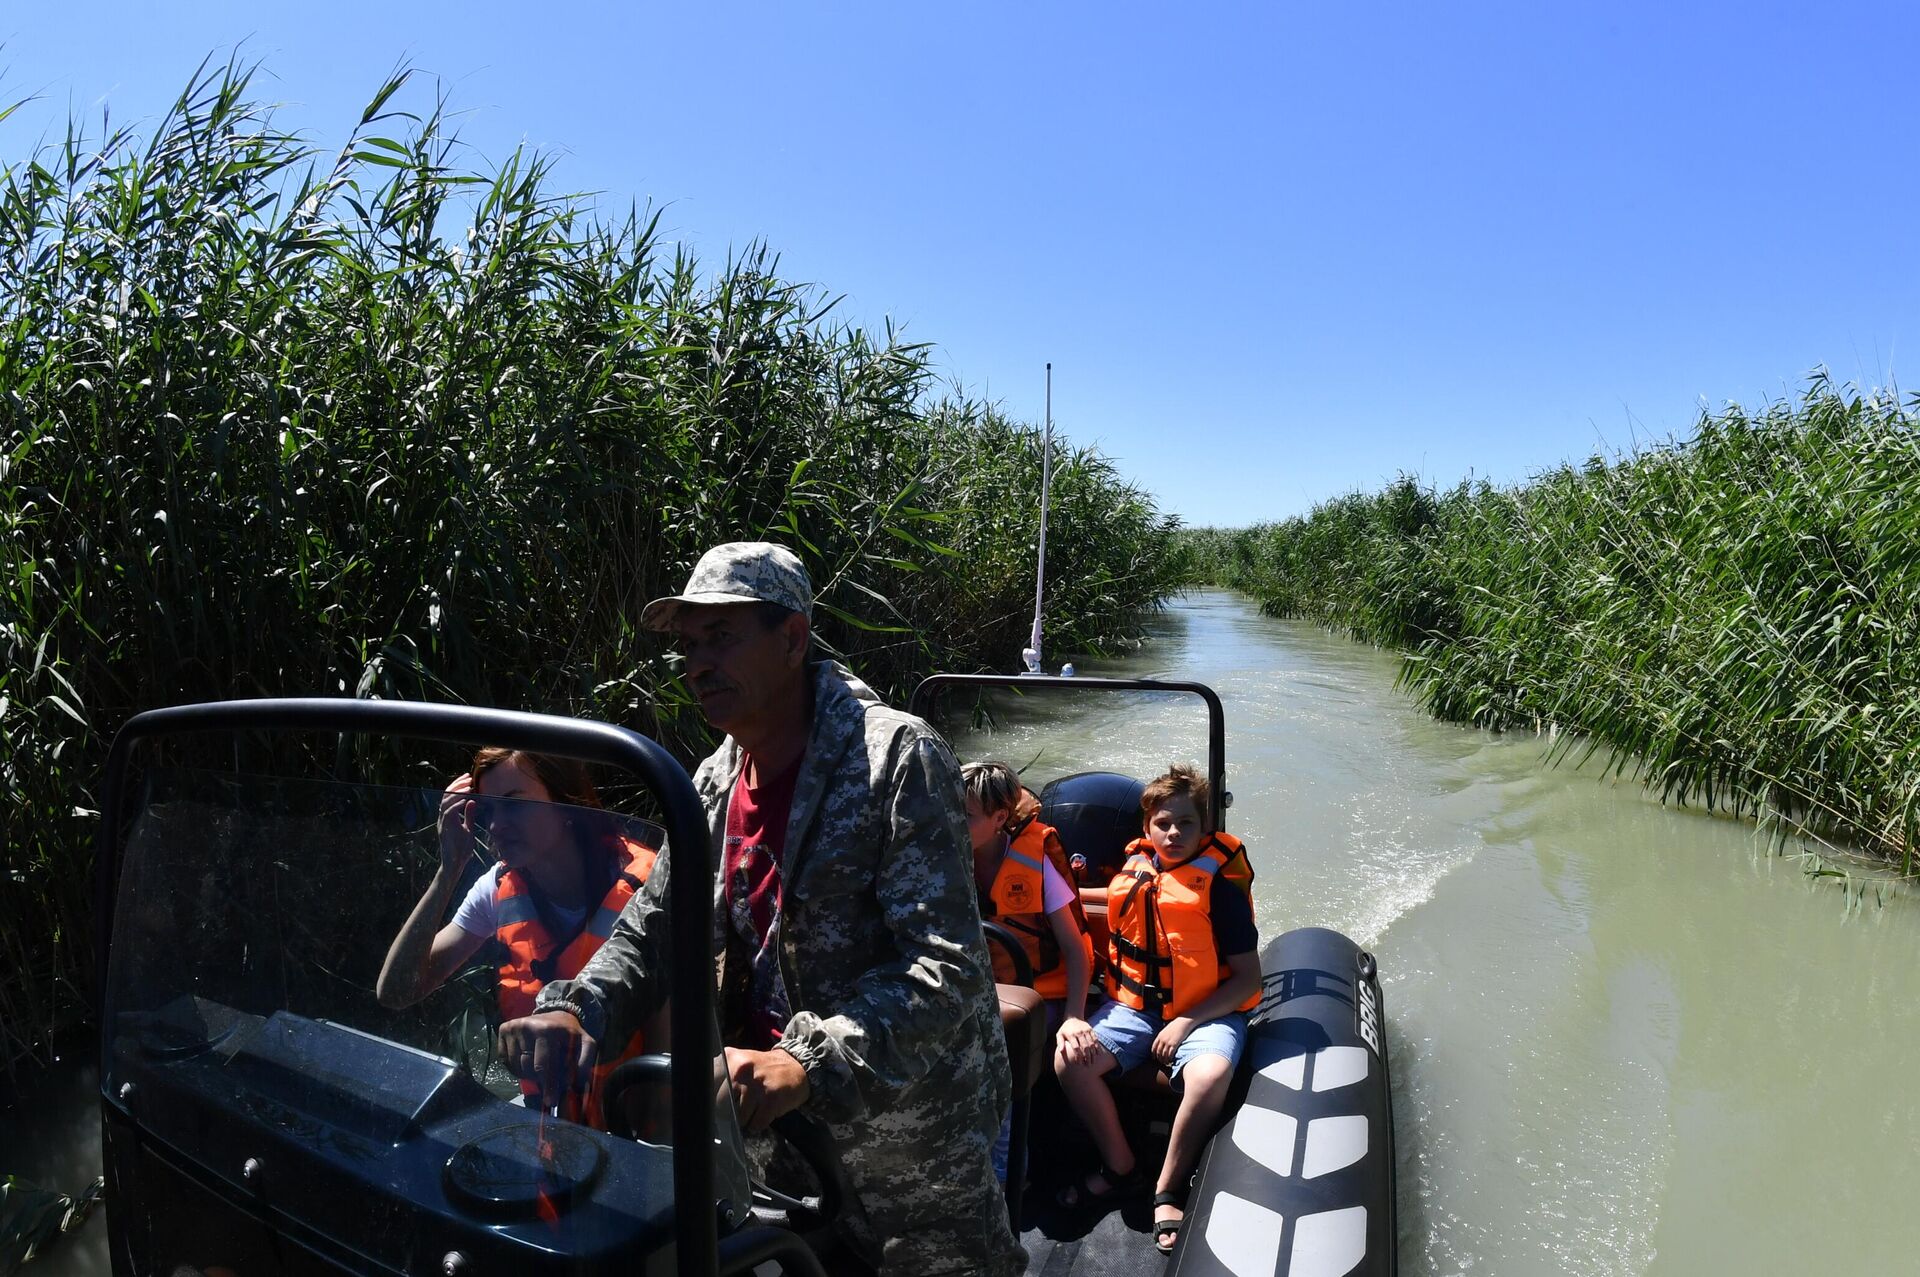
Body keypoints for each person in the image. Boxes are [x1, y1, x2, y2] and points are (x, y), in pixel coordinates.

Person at [498, 542, 1023, 1277]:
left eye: (721, 636)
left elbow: (949, 969)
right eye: (688, 644)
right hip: (778, 1135)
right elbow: (654, 927)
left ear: (792, 638)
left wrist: (804, 1060)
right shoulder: (712, 782)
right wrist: (578, 1008)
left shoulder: (896, 757)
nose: (697, 663)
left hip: (913, 1139)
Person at [375, 747, 659, 1128]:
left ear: (565, 802)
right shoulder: (495, 889)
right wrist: (449, 869)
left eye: (514, 805)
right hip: (551, 1131)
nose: (496, 826)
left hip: (636, 1132)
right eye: (489, 810)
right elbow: (397, 992)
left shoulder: (650, 889)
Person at [1052, 763, 1261, 1256]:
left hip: (1208, 1010)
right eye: (1163, 824)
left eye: (1186, 823)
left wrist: (1189, 1021)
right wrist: (1060, 895)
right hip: (1137, 1009)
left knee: (1208, 1075)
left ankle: (1167, 1187)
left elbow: (1249, 980)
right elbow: (1112, 899)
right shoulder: (1137, 872)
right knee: (1068, 1059)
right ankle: (1120, 1167)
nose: (1173, 833)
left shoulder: (1220, 891)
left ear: (1204, 829)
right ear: (1146, 829)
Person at [962, 760, 1096, 1186]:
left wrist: (1075, 1015)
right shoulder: (942, 856)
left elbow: (1077, 950)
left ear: (1000, 818)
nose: (950, 821)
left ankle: (1005, 1175)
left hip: (1042, 994)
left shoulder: (1035, 860)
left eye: (964, 816)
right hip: (978, 992)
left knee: (997, 1048)